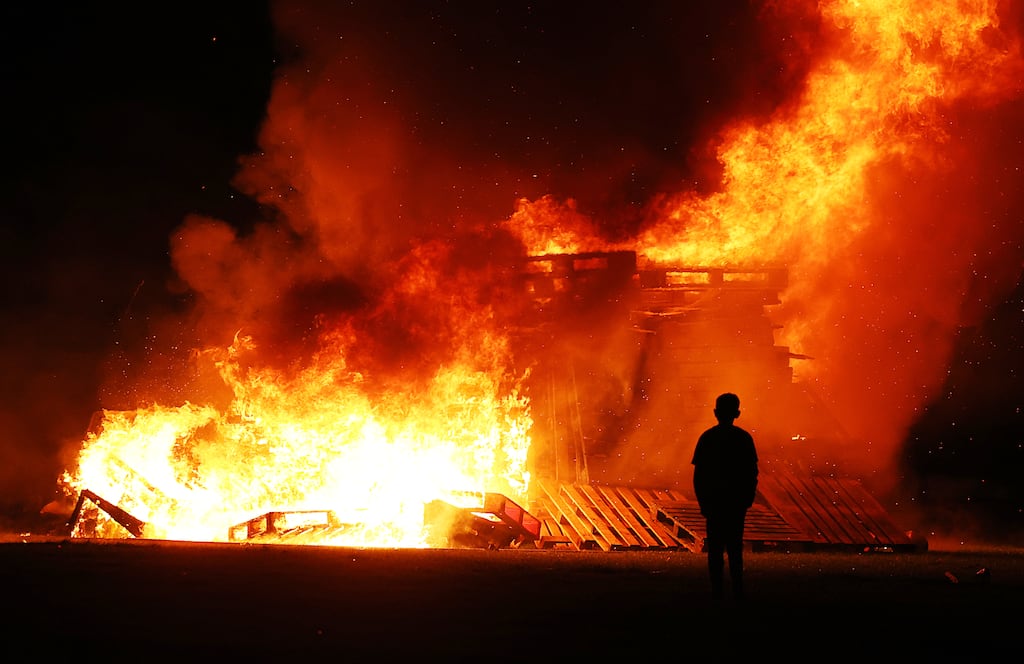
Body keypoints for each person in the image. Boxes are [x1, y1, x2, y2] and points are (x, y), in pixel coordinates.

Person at [691, 392, 759, 600]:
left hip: (715, 502)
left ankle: (717, 592)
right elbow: (752, 472)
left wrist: (703, 501)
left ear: (715, 413)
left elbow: (699, 475)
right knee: (735, 548)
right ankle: (737, 590)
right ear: (737, 413)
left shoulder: (708, 438)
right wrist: (747, 498)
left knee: (716, 550)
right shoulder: (743, 439)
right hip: (735, 503)